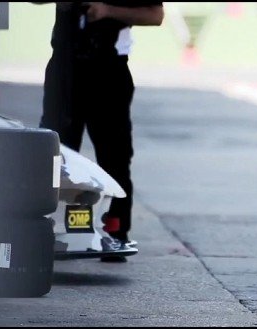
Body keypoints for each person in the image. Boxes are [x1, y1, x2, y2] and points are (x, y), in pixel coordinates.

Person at [35, 2, 164, 262]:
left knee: (114, 155)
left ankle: (115, 229)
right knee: (53, 153)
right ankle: (45, 226)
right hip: (65, 67)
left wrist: (107, 10)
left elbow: (155, 14)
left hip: (108, 71)